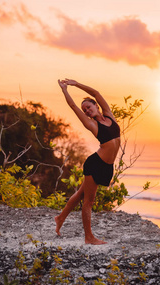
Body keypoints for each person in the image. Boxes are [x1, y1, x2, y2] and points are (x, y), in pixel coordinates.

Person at [55, 79, 120, 245]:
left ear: (96, 106)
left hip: (107, 166)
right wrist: (65, 90)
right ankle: (89, 237)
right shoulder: (92, 124)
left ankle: (60, 218)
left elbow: (97, 93)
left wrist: (76, 84)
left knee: (80, 195)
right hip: (95, 164)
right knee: (88, 201)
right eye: (85, 110)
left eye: (89, 107)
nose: (87, 111)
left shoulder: (109, 115)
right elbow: (73, 106)